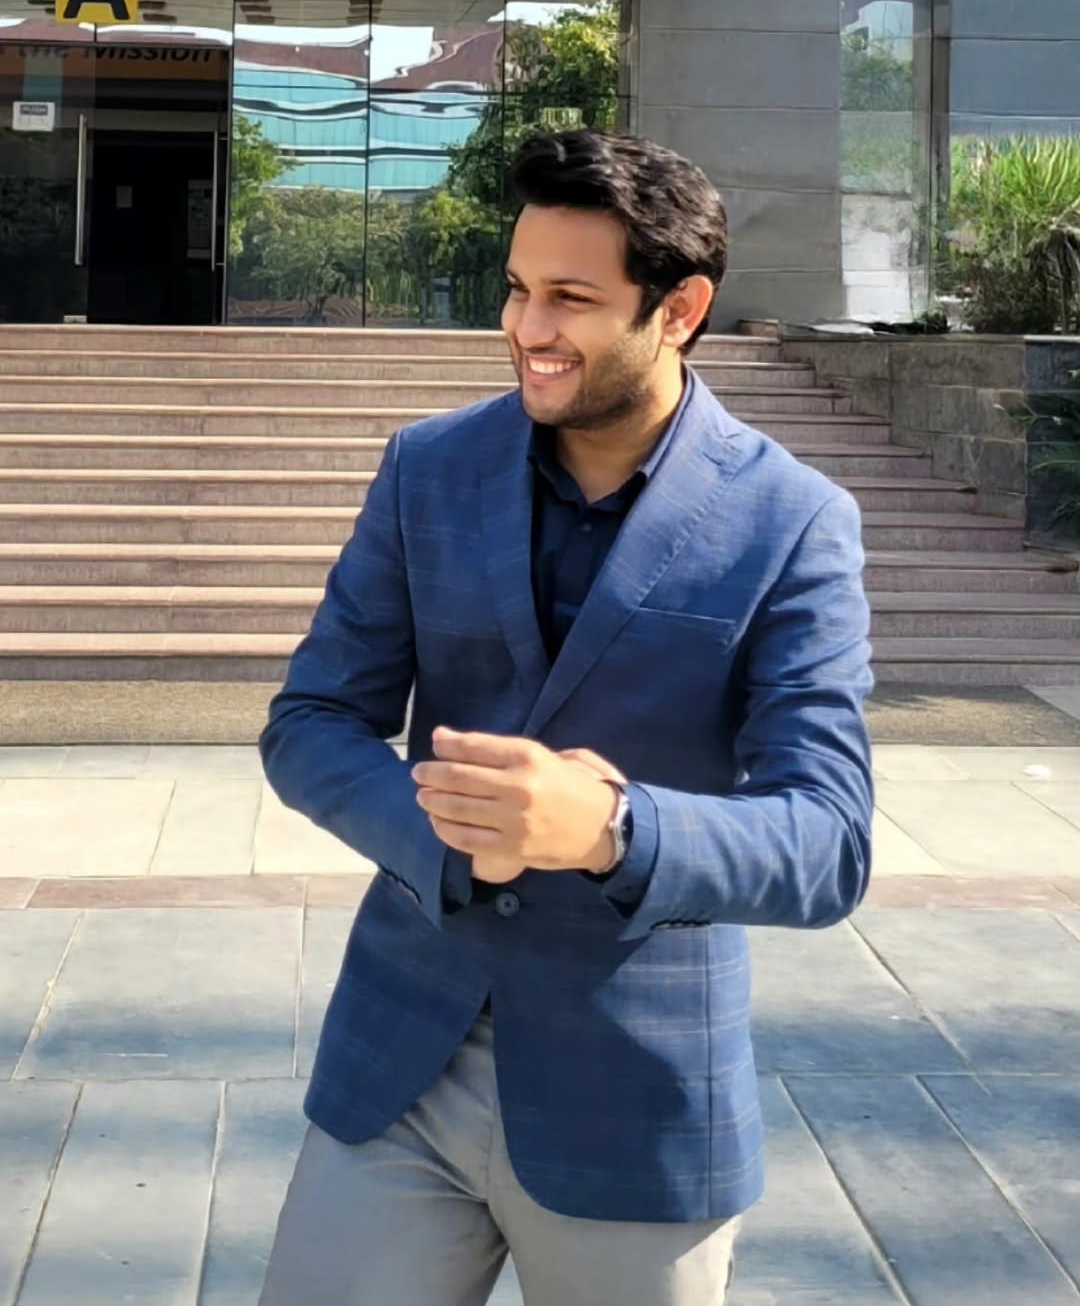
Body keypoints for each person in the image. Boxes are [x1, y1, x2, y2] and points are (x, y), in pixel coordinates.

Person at [258, 129, 874, 1306]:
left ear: (679, 310)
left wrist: (610, 830)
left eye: (571, 299)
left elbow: (828, 843)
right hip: (404, 1059)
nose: (528, 327)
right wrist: (443, 832)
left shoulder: (792, 520)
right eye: (518, 288)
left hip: (636, 1096)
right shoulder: (428, 468)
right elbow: (312, 721)